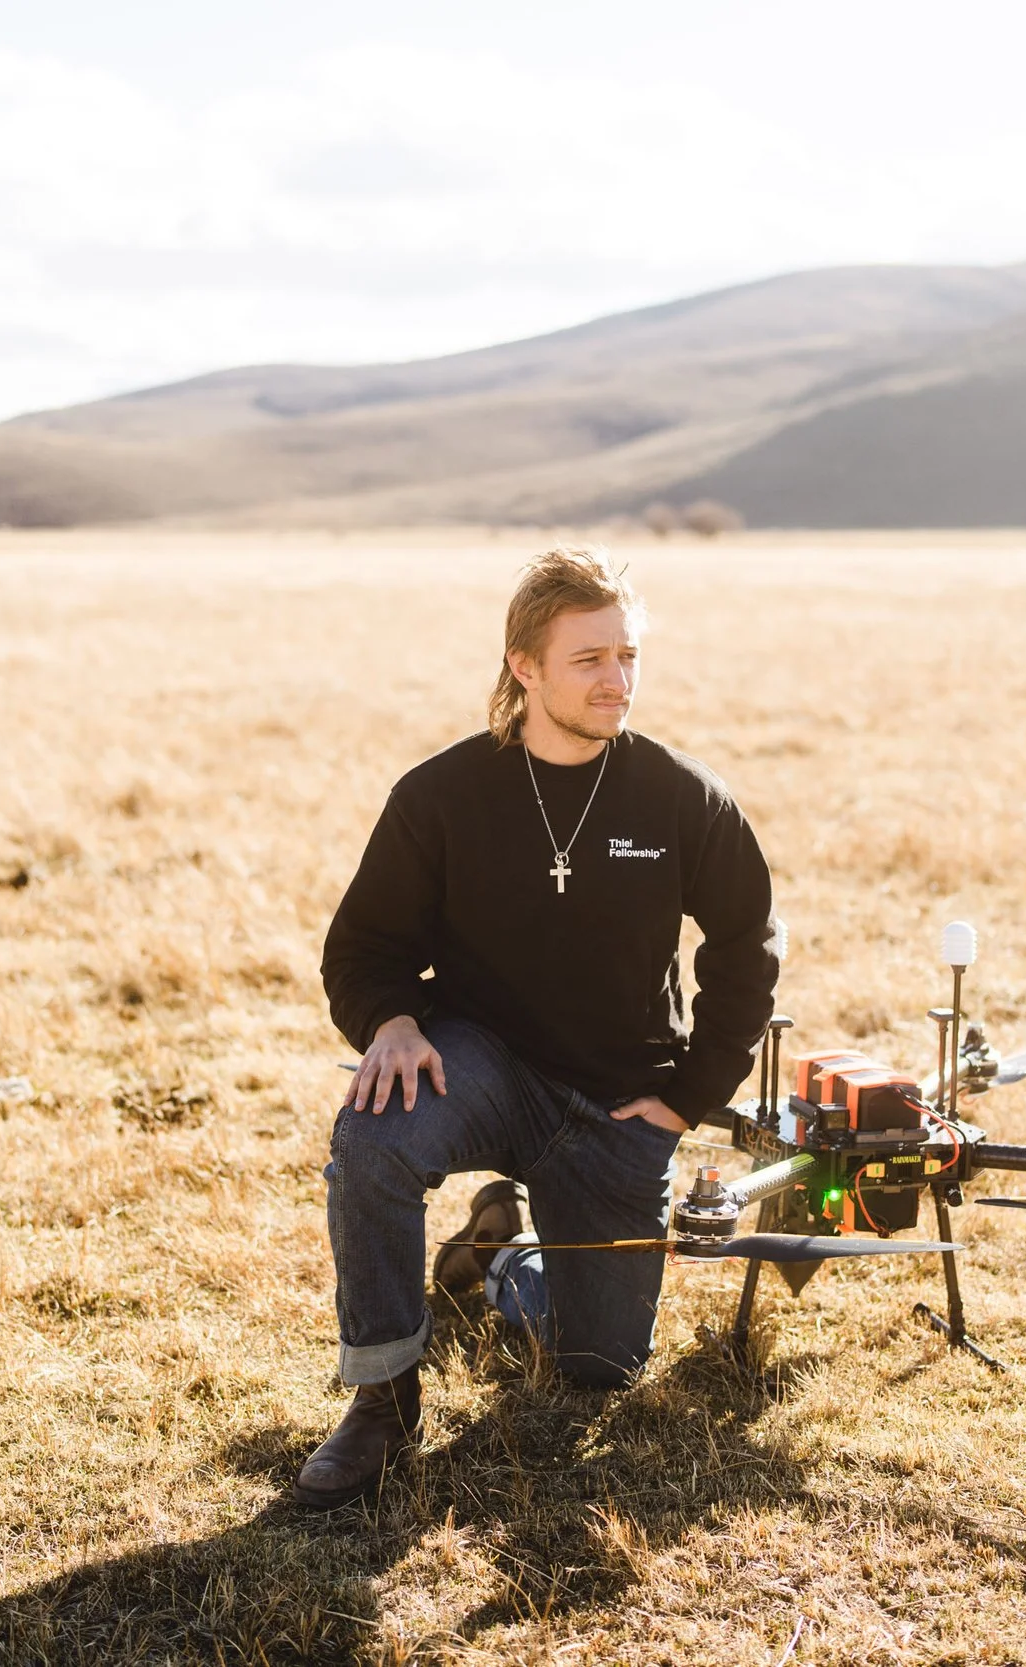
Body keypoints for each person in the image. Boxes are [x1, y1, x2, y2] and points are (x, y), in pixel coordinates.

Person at [295, 547, 779, 1508]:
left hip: (617, 1102)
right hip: (480, 1063)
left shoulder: (682, 797)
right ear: (524, 666)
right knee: (372, 1138)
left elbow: (747, 941)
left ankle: (504, 1253)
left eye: (629, 655)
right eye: (590, 659)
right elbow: (360, 948)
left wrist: (689, 1096)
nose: (618, 680)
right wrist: (389, 1020)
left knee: (600, 1370)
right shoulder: (441, 796)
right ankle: (383, 1403)